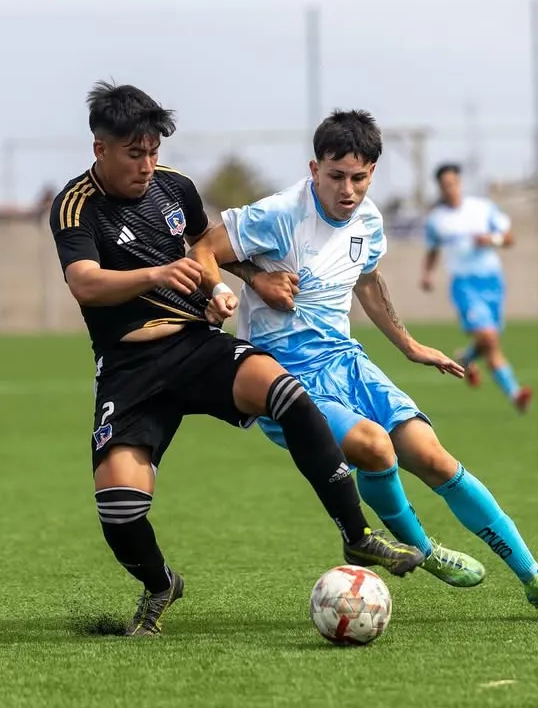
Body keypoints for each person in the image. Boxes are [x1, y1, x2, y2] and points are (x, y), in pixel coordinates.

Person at [48, 82, 425, 637]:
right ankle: (160, 584)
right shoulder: (76, 203)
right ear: (100, 148)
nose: (148, 165)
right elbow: (85, 284)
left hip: (196, 344)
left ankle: (356, 533)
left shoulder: (175, 188)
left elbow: (211, 254)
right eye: (135, 154)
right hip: (131, 368)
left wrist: (225, 289)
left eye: (153, 151)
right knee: (120, 509)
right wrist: (155, 275)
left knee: (289, 394)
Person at [190, 110, 538, 609]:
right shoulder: (280, 213)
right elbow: (203, 246)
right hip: (282, 375)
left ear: (372, 173)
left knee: (433, 457)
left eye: (359, 177)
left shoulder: (370, 220)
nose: (347, 189)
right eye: (335, 176)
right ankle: (423, 549)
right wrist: (251, 279)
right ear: (314, 170)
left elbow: (369, 283)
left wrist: (409, 345)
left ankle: (533, 576)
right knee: (376, 448)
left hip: (346, 361)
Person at [420, 164, 532, 413]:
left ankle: (467, 358)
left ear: (459, 183)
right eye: (445, 185)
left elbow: (510, 238)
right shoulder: (437, 220)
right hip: (464, 284)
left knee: (490, 342)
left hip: (492, 280)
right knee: (489, 338)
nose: (450, 189)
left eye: (453, 183)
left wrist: (492, 239)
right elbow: (432, 250)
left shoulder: (482, 209)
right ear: (440, 187)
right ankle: (515, 394)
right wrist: (427, 274)